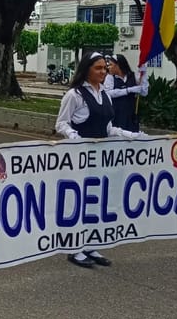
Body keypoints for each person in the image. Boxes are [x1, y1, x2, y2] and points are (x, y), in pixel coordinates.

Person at [55, 51, 146, 268]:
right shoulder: (75, 95)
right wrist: (74, 137)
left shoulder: (104, 94)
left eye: (104, 68)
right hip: (79, 158)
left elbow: (107, 128)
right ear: (86, 70)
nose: (103, 72)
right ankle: (74, 248)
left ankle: (90, 244)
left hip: (100, 159)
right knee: (77, 202)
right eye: (98, 68)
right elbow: (61, 123)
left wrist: (131, 135)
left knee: (95, 201)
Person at [104, 54, 148, 132]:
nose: (108, 67)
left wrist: (144, 74)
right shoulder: (110, 77)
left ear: (118, 65)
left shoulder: (133, 76)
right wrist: (128, 90)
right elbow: (108, 93)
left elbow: (144, 92)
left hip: (131, 116)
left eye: (111, 64)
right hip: (116, 115)